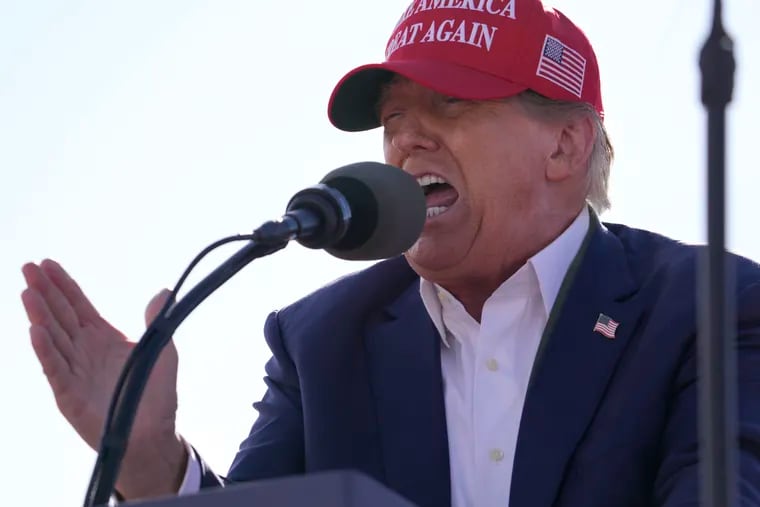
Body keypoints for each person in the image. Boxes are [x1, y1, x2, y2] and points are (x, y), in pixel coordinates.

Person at [21, 1, 760, 506]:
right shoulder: (321, 339)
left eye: (452, 106)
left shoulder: (708, 307)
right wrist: (150, 459)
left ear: (565, 143)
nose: (408, 140)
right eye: (393, 119)